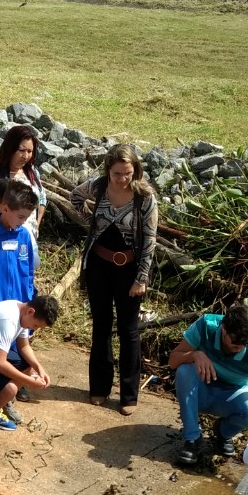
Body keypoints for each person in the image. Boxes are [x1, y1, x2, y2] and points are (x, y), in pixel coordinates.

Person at [71, 145, 158, 416]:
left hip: (129, 270)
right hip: (99, 264)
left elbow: (150, 242)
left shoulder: (145, 198)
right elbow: (75, 197)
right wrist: (92, 220)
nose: (122, 179)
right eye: (117, 173)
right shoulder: (97, 187)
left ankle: (129, 394)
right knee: (101, 325)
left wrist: (141, 278)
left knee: (129, 331)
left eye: (128, 173)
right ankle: (99, 387)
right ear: (108, 169)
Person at [168, 303, 248, 466]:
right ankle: (192, 438)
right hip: (200, 391)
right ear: (224, 329)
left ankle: (223, 432)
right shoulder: (206, 326)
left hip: (231, 397)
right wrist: (194, 354)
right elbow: (173, 361)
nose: (238, 349)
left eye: (243, 345)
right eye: (234, 343)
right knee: (184, 372)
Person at [0, 296, 59, 429]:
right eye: (36, 325)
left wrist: (39, 368)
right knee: (10, 389)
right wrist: (29, 381)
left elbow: (23, 346)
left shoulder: (22, 311)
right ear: (31, 311)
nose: (35, 329)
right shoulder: (8, 319)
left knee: (28, 368)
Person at [0, 181, 39, 307]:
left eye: (26, 217)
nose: (23, 221)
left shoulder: (24, 235)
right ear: (5, 209)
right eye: (20, 217)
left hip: (20, 304)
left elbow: (29, 270)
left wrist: (28, 296)